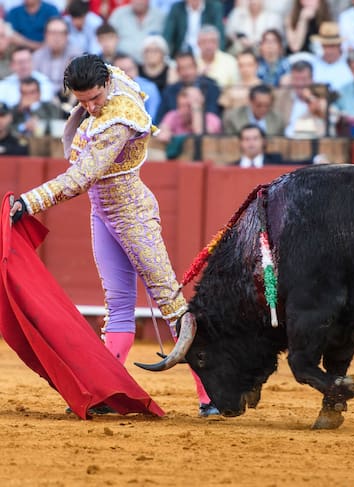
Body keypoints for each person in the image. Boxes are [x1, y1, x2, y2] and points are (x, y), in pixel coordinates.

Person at [8, 54, 219, 417]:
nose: (91, 107)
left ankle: (212, 394)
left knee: (170, 301)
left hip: (133, 214)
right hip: (103, 213)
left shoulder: (118, 120)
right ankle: (106, 390)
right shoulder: (109, 79)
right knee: (117, 304)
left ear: (106, 84)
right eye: (82, 100)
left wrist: (30, 201)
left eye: (95, 98)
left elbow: (79, 178)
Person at [155, 51, 220, 125]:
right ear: (177, 71)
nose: (186, 72)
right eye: (182, 68)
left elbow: (214, 116)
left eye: (189, 67)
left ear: (196, 67)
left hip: (206, 132)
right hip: (176, 133)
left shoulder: (211, 87)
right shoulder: (169, 92)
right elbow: (159, 120)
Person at [32, 18, 83, 95]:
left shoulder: (77, 56)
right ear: (45, 35)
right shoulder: (37, 56)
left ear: (67, 36)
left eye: (61, 33)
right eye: (52, 33)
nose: (56, 38)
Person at [156, 85, 222, 143]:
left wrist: (196, 111)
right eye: (180, 106)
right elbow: (163, 129)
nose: (182, 111)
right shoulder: (173, 115)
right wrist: (164, 132)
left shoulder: (212, 119)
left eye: (187, 106)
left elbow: (200, 136)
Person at [108, 0, 166, 65]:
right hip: (123, 66)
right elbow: (108, 37)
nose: (138, 1)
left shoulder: (160, 16)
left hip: (151, 66)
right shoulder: (119, 14)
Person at [113, 54, 161, 119]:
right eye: (122, 71)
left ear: (136, 68)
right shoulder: (108, 90)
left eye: (130, 69)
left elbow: (153, 118)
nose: (127, 74)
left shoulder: (149, 88)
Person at [275, 59, 315, 137]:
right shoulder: (282, 97)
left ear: (311, 80)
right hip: (284, 142)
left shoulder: (320, 98)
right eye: (296, 79)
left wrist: (310, 99)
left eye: (304, 79)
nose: (300, 83)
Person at [310, 21, 353, 91]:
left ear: (340, 46)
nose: (329, 51)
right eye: (325, 46)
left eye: (332, 46)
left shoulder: (350, 63)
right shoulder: (313, 63)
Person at [195, 25, 239, 89]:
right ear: (198, 43)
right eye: (204, 42)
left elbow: (235, 87)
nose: (208, 46)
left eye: (212, 41)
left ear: (218, 43)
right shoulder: (191, 62)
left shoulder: (230, 61)